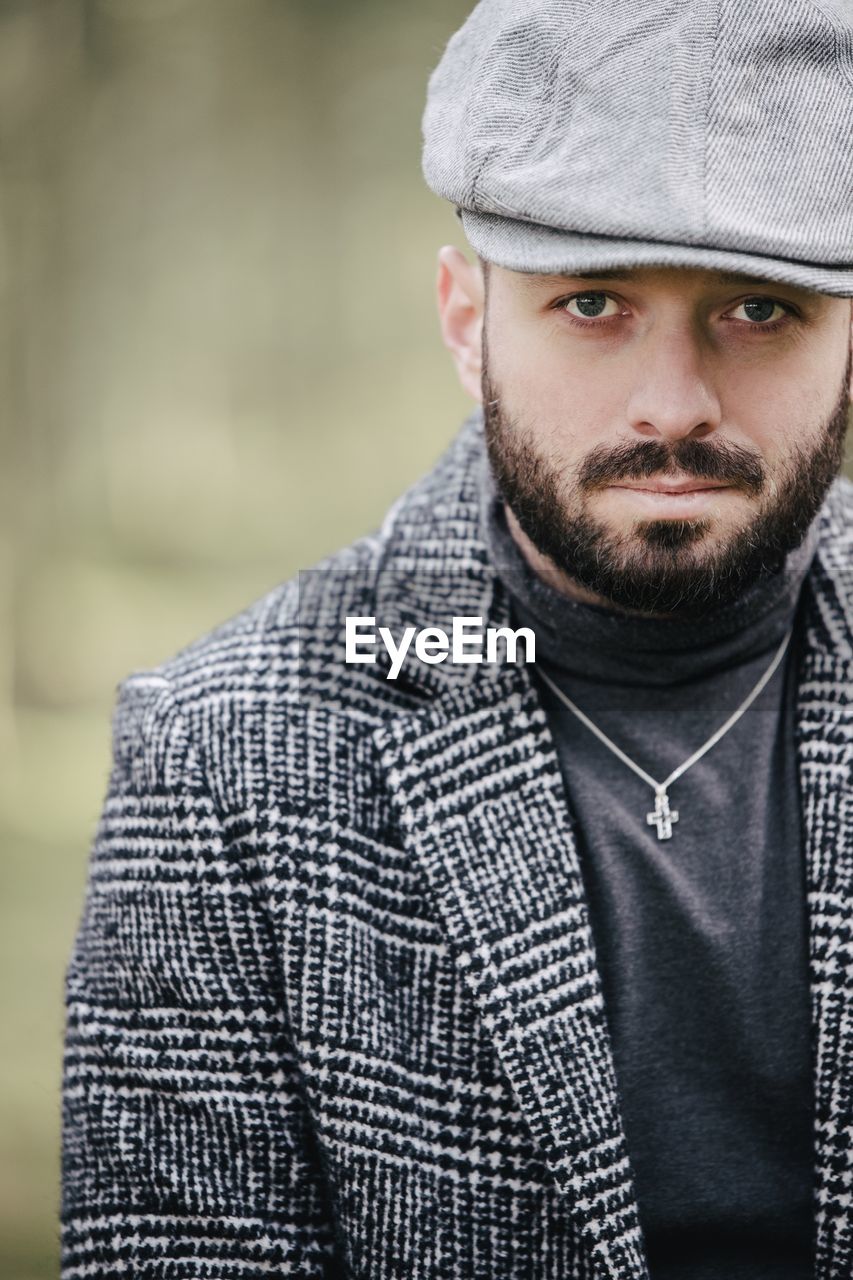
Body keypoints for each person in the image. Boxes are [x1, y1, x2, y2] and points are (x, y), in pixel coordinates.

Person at [61, 1, 853, 1277]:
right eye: (592, 302)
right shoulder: (220, 758)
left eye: (758, 311)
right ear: (466, 317)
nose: (672, 404)